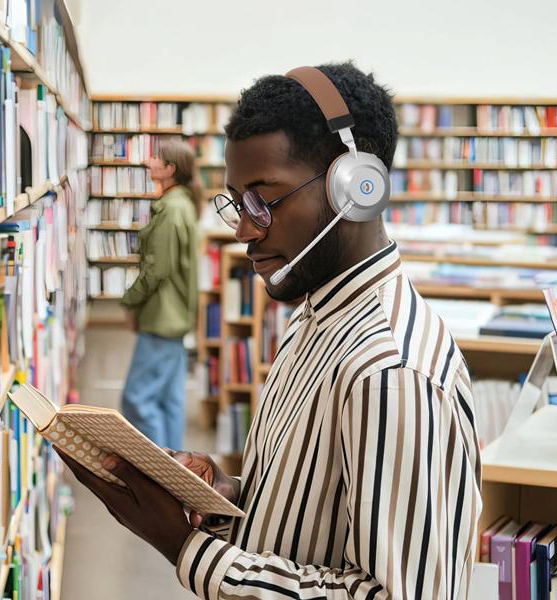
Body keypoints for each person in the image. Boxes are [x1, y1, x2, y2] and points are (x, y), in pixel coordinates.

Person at [59, 62, 481, 600]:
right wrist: (224, 493)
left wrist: (183, 547)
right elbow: (316, 519)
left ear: (358, 188)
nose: (243, 229)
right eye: (238, 201)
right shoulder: (316, 317)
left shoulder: (392, 374)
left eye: (265, 198)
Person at [118, 138, 200, 451]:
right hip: (176, 317)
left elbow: (156, 270)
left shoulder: (171, 210)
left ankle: (158, 470)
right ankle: (174, 470)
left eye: (156, 158)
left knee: (137, 399)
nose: (149, 161)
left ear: (170, 169)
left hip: (163, 317)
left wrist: (129, 301)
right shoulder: (182, 204)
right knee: (169, 401)